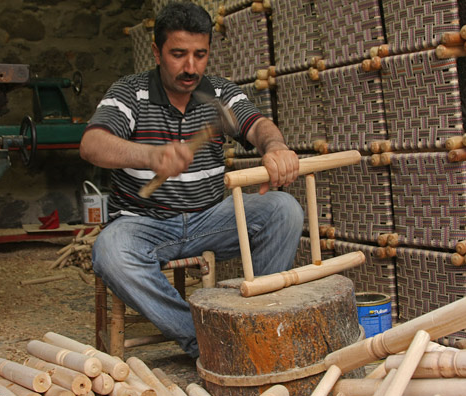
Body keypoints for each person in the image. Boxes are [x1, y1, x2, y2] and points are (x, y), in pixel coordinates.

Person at [79, 1, 304, 358]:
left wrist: (274, 146)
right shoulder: (130, 93)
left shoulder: (217, 93)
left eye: (200, 55)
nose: (190, 67)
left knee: (284, 210)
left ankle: (252, 323)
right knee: (110, 251)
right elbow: (92, 144)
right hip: (144, 223)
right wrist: (150, 155)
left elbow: (257, 124)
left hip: (209, 218)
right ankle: (209, 342)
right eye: (178, 54)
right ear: (156, 51)